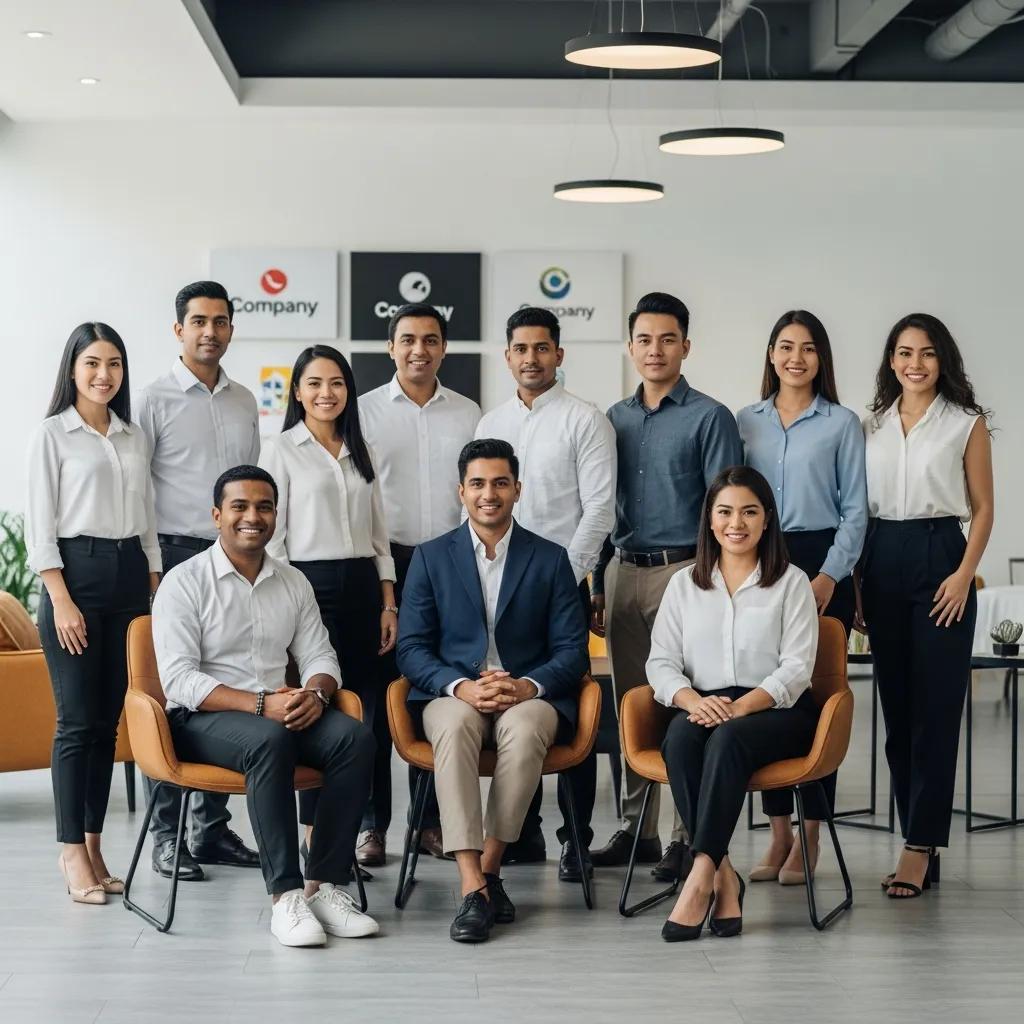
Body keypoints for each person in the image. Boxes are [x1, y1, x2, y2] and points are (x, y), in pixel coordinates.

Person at [151, 465, 379, 947]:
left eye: (264, 506)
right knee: (270, 740)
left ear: (276, 515)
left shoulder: (293, 582)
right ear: (217, 515)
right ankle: (286, 898)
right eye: (240, 506)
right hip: (201, 719)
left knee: (354, 739)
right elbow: (179, 679)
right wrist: (261, 705)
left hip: (280, 710)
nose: (253, 516)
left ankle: (325, 885)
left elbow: (320, 654)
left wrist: (315, 694)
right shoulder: (184, 581)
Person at [397, 439, 589, 943]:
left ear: (517, 489)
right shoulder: (430, 556)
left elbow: (572, 651)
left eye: (500, 483)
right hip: (453, 694)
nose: (489, 494)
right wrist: (459, 687)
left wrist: (527, 685)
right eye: (478, 484)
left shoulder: (551, 559)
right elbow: (412, 648)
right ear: (461, 491)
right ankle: (472, 885)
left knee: (525, 733)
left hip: (528, 695)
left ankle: (489, 867)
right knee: (456, 726)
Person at [590, 292, 742, 884]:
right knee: (634, 702)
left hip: (688, 572)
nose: (655, 350)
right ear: (630, 347)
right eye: (644, 340)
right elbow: (603, 504)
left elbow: (725, 510)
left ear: (686, 346)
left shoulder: (711, 416)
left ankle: (687, 835)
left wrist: (712, 582)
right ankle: (639, 829)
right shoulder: (614, 418)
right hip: (623, 570)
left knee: (690, 699)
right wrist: (599, 579)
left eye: (667, 339)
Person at [650, 466, 820, 941]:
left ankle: (700, 875)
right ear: (709, 520)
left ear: (767, 519)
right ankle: (725, 877)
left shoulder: (791, 582)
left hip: (778, 709)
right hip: (702, 703)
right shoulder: (685, 584)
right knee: (680, 740)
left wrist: (742, 707)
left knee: (726, 739)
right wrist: (688, 700)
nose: (736, 523)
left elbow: (796, 668)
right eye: (725, 512)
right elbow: (661, 661)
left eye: (749, 511)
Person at [475, 306, 615, 881]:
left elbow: (600, 507)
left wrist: (562, 574)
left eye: (542, 348)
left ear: (559, 355)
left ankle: (575, 839)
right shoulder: (490, 421)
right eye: (520, 349)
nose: (530, 358)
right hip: (495, 588)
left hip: (560, 587)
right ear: (507, 356)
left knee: (565, 698)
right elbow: (479, 502)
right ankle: (522, 834)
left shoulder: (586, 420)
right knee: (510, 697)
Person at [27, 322, 161, 904]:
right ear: (73, 370)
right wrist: (61, 600)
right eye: (92, 364)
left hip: (130, 575)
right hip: (74, 579)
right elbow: (40, 527)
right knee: (76, 723)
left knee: (109, 724)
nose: (104, 375)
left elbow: (148, 519)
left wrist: (155, 585)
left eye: (114, 364)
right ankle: (68, 852)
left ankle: (94, 842)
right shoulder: (53, 435)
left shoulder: (132, 437)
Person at [860, 313, 993, 899]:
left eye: (928, 353)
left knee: (936, 710)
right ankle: (918, 834)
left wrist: (964, 575)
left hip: (943, 552)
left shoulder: (966, 423)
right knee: (896, 709)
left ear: (944, 361)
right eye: (905, 352)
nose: (916, 363)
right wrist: (861, 585)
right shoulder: (871, 425)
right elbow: (861, 511)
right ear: (891, 360)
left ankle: (918, 847)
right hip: (882, 553)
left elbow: (984, 508)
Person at [135, 280, 261, 882]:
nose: (210, 331)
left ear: (232, 328)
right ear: (178, 329)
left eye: (220, 321)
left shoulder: (243, 400)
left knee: (230, 682)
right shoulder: (153, 399)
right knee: (170, 694)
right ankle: (167, 836)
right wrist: (155, 566)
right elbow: (138, 490)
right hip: (176, 556)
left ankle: (210, 831)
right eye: (198, 321)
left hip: (235, 553)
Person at [737, 310, 867, 885]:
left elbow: (856, 510)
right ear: (770, 354)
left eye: (808, 348)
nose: (796, 357)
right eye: (785, 346)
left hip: (820, 563)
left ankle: (812, 835)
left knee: (815, 697)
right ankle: (779, 834)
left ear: (821, 358)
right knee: (765, 692)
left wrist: (830, 576)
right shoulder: (745, 421)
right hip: (762, 558)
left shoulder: (842, 423)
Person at [258, 346, 397, 877]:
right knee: (318, 709)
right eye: (314, 383)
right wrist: (289, 608)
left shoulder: (363, 449)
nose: (326, 393)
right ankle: (317, 840)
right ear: (297, 392)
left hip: (364, 587)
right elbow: (275, 540)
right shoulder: (283, 449)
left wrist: (388, 601)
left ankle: (368, 828)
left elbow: (380, 536)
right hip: (307, 586)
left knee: (369, 712)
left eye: (337, 382)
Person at [360, 302, 481, 864]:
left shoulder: (468, 414)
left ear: (444, 348)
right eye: (407, 340)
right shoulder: (361, 414)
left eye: (430, 340)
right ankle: (371, 826)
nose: (419, 350)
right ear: (390, 348)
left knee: (432, 692)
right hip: (381, 566)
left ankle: (429, 823)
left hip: (448, 567)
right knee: (373, 696)